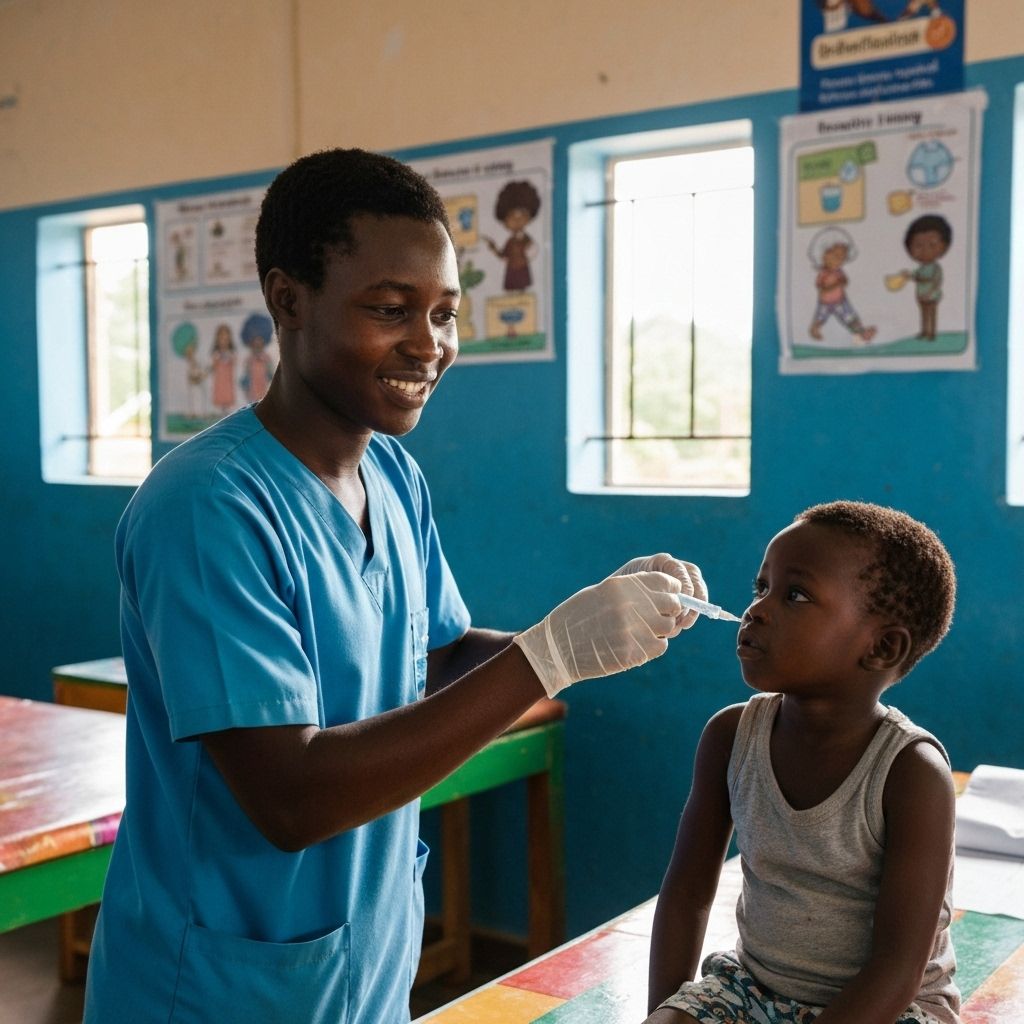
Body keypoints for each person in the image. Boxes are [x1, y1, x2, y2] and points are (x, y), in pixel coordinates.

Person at [83, 147, 706, 1024]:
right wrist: (546, 658)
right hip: (220, 988)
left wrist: (594, 628)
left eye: (446, 312)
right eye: (390, 309)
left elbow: (438, 653)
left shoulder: (394, 479)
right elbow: (290, 797)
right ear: (287, 299)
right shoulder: (207, 505)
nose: (429, 343)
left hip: (362, 971)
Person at [646, 500, 960, 1024]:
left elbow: (897, 968)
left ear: (881, 647)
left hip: (890, 1008)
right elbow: (686, 895)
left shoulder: (912, 773)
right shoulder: (730, 736)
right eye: (760, 587)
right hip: (753, 989)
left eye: (795, 595)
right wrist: (665, 1011)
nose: (757, 609)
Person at [903, 214, 952, 341]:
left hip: (932, 295)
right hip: (921, 295)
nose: (925, 250)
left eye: (932, 245)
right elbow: (915, 276)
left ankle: (932, 333)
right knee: (924, 314)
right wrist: (908, 276)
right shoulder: (920, 268)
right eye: (918, 245)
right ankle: (925, 331)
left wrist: (924, 283)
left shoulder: (936, 268)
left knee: (932, 313)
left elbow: (935, 280)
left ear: (944, 247)